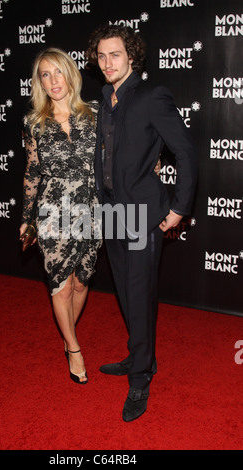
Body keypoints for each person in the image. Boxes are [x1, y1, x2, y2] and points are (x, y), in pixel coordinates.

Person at [86, 25, 197, 421]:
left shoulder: (152, 96)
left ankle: (140, 379)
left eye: (115, 54)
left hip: (144, 213)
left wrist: (179, 209)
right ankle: (140, 357)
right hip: (112, 212)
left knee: (140, 294)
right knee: (126, 293)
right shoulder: (105, 99)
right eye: (101, 56)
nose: (108, 62)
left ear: (131, 56)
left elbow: (184, 153)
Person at [20, 48, 102, 385]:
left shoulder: (96, 113)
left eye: (58, 72)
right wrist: (26, 218)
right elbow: (32, 171)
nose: (53, 80)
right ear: (39, 82)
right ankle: (73, 347)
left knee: (82, 281)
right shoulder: (33, 122)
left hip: (93, 208)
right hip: (53, 209)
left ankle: (69, 334)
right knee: (61, 286)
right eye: (45, 74)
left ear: (71, 73)